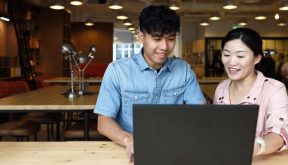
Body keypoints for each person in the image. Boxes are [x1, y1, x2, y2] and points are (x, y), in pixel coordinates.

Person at [94, 5, 206, 161]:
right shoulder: (117, 71)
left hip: (173, 149)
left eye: (171, 39)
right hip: (128, 151)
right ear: (141, 37)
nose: (165, 47)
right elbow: (104, 122)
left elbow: (201, 114)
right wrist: (127, 138)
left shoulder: (184, 70)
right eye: (157, 39)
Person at [213, 27, 288, 157]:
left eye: (240, 56)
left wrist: (252, 147)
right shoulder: (221, 88)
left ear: (257, 58)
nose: (231, 62)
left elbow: (279, 135)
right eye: (226, 55)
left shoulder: (275, 89)